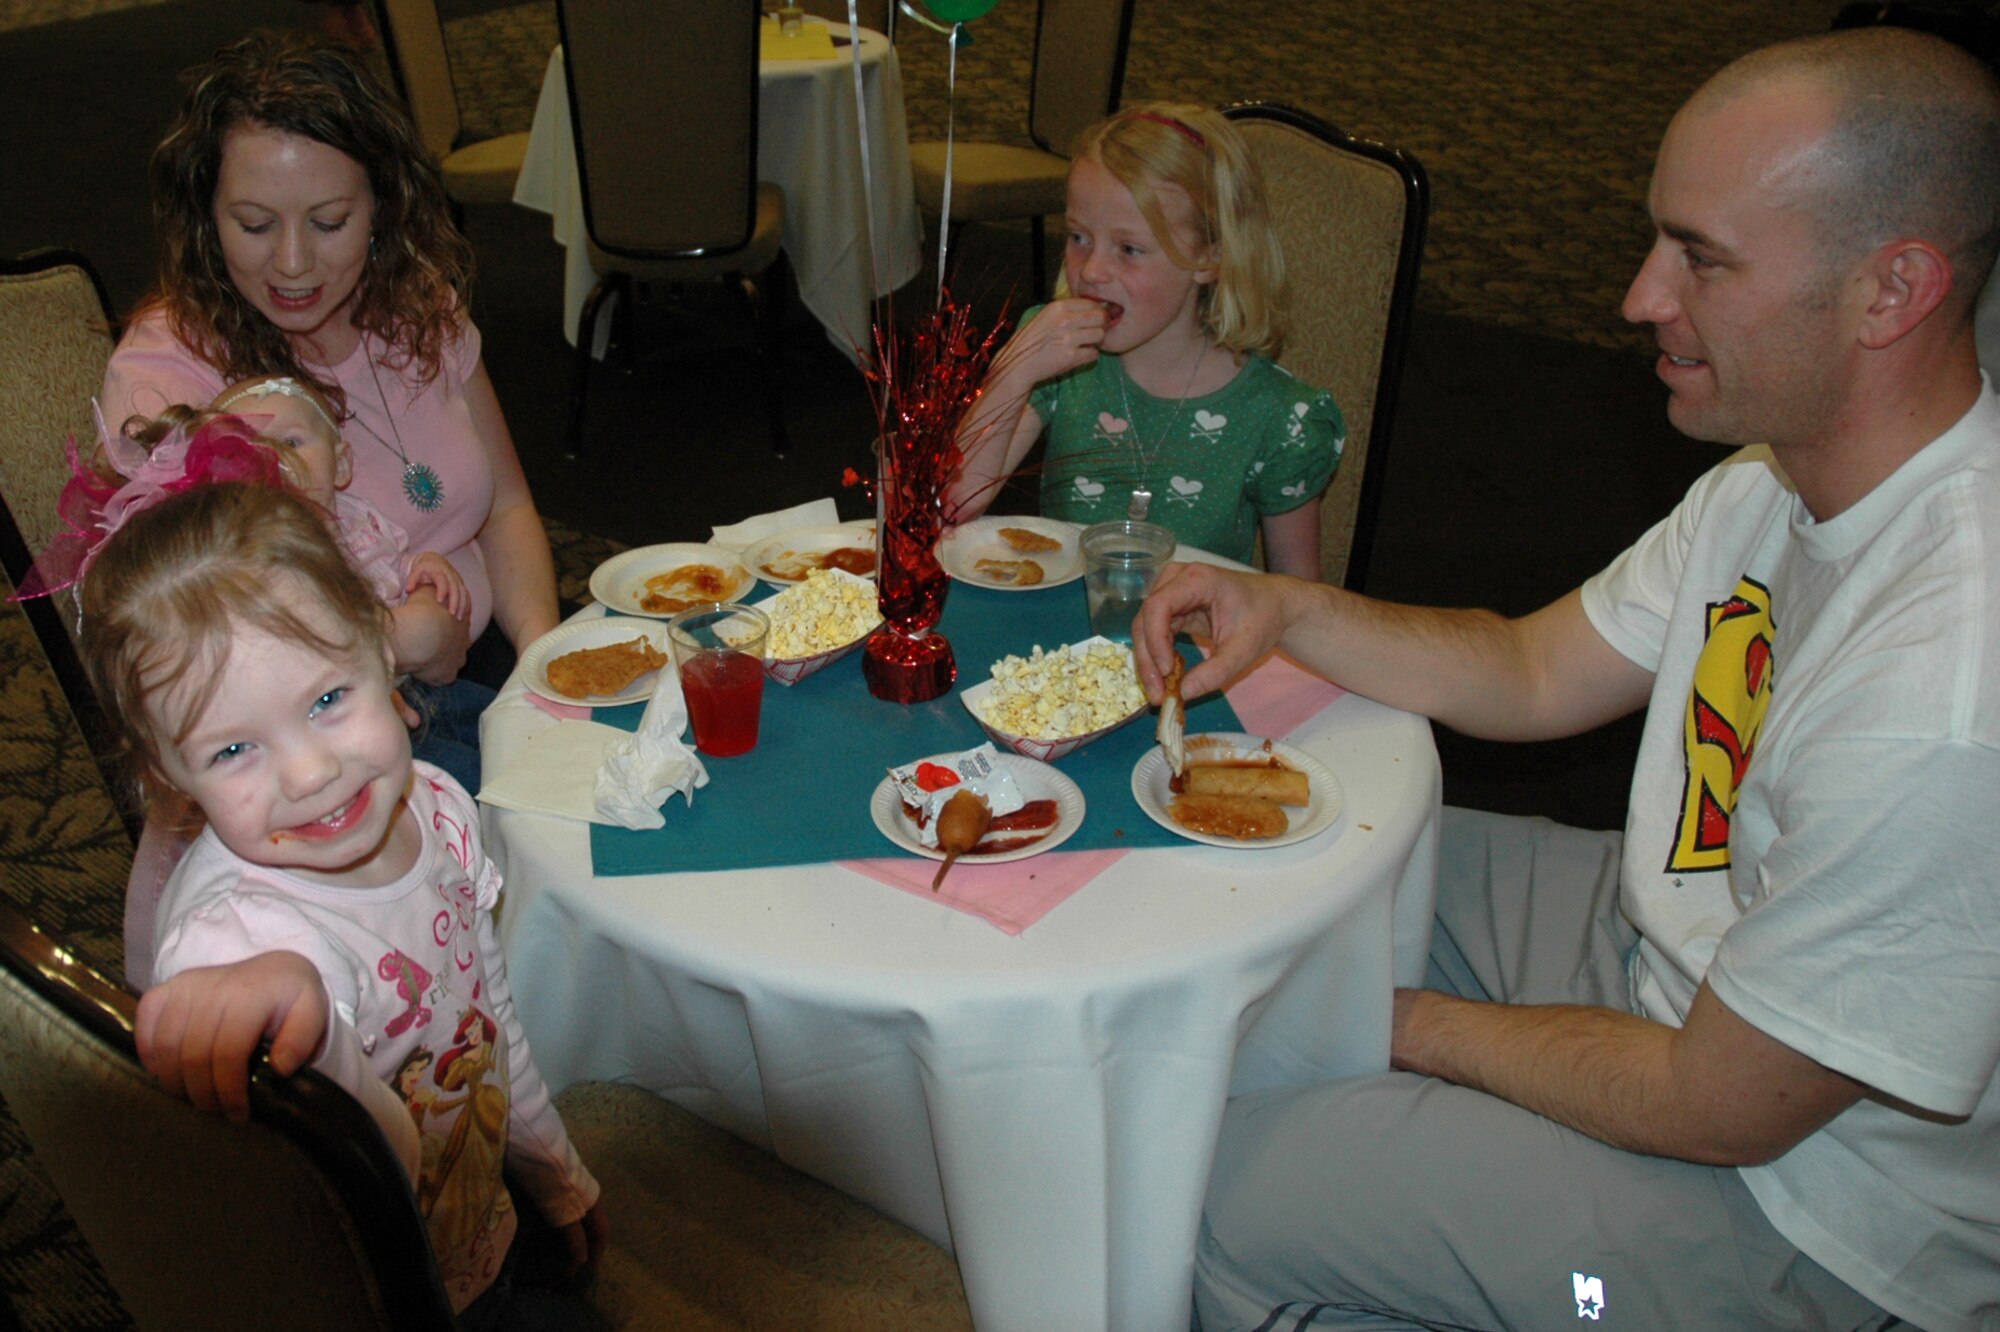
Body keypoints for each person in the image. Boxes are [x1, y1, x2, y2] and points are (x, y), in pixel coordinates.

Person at [1133, 27, 2000, 1332]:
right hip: (1670, 956)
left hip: (1800, 1212)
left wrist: (1401, 1026)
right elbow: (1532, 668)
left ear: (1893, 292)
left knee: (1204, 1187)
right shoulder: (1777, 473)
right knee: (1272, 884)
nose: (1641, 296)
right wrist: (1288, 607)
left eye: (1700, 258)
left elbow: (1716, 1109)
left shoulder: (1945, 696)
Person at [80, 480, 606, 1327]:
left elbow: (487, 1017)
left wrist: (553, 1172)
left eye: (328, 701)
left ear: (380, 649)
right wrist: (306, 1025)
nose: (310, 774)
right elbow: (348, 1184)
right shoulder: (239, 944)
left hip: (474, 1218)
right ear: (167, 776)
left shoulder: (436, 805)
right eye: (233, 750)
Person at [98, 28, 559, 706]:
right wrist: (397, 643)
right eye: (254, 225)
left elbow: (506, 508)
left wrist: (543, 663)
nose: (291, 263)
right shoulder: (167, 376)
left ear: (381, 208)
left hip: (484, 660)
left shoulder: (414, 303)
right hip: (318, 714)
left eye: (330, 221)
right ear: (207, 217)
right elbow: (194, 633)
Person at [946, 102, 1344, 576]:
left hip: (1195, 642)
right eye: (1078, 237)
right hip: (1060, 637)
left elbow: (1300, 602)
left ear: (1209, 258)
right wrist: (1013, 371)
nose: (1091, 270)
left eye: (1129, 249)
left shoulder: (1280, 416)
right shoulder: (1061, 363)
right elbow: (953, 506)